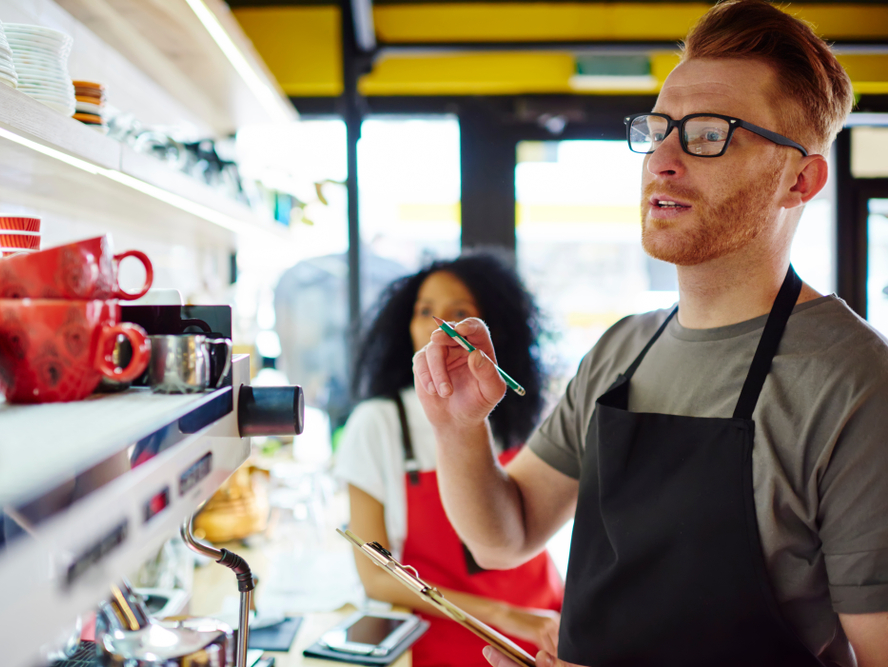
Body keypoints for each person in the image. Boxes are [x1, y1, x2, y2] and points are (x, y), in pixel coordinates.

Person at [413, 2, 888, 666]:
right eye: (659, 128)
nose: (662, 158)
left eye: (708, 133)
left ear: (799, 180)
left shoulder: (856, 383)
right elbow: (505, 535)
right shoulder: (623, 348)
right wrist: (459, 426)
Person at [335, 253, 564, 666]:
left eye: (458, 312)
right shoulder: (379, 423)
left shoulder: (519, 413)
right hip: (456, 640)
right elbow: (376, 578)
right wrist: (506, 617)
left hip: (553, 625)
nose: (437, 325)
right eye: (424, 311)